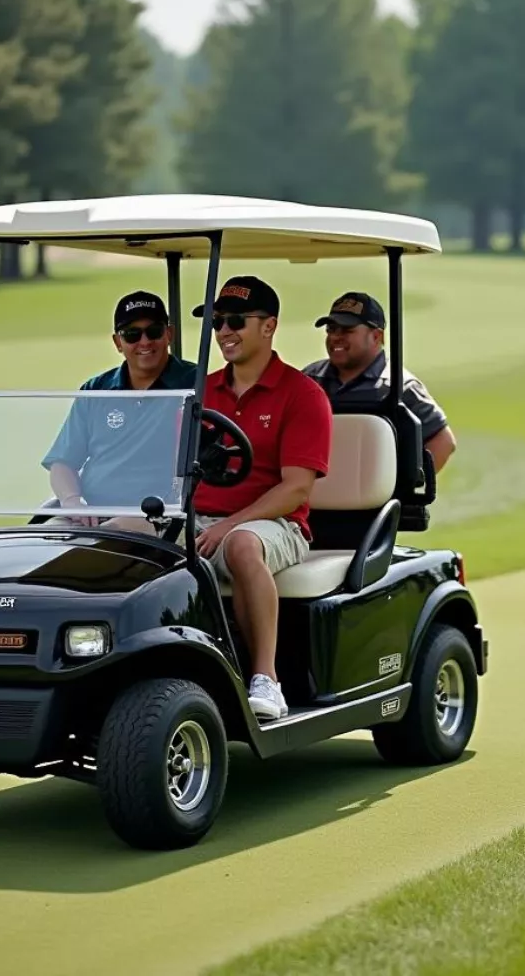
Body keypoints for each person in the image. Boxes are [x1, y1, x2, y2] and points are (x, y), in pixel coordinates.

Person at [192, 276, 333, 721]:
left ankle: (266, 680)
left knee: (241, 546)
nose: (224, 332)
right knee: (127, 536)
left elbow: (296, 489)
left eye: (236, 321)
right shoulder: (202, 390)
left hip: (278, 524)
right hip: (199, 518)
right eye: (217, 322)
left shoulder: (301, 394)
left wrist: (228, 524)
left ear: (269, 326)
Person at [42, 291, 197, 533]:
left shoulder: (196, 383)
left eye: (153, 331)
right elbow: (63, 462)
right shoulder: (97, 389)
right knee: (34, 547)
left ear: (169, 334)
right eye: (132, 335)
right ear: (117, 342)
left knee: (103, 542)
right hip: (91, 514)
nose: (144, 342)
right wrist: (72, 502)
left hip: (159, 515)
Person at [303, 291, 456, 474]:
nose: (335, 337)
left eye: (347, 330)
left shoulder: (399, 387)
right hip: (316, 495)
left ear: (376, 336)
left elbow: (443, 441)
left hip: (375, 498)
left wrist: (402, 485)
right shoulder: (309, 379)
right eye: (331, 330)